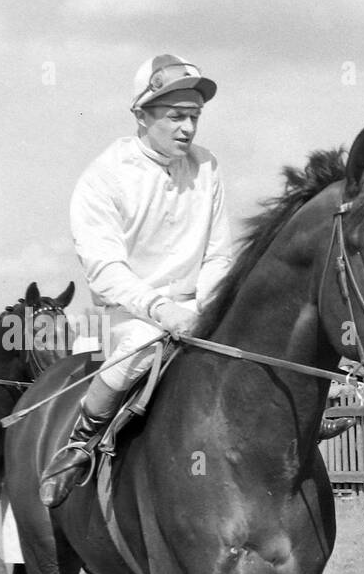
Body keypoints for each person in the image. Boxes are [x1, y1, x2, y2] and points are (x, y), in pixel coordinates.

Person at [39, 53, 232, 505]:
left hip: (201, 308)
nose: (187, 128)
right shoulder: (102, 177)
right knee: (138, 348)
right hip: (130, 317)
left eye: (194, 117)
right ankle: (79, 443)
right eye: (175, 116)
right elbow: (106, 271)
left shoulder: (208, 167)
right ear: (141, 115)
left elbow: (219, 254)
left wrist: (203, 310)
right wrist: (165, 312)